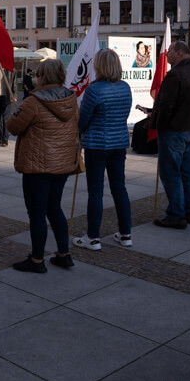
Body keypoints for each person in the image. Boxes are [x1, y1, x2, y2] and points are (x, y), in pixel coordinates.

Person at [7, 58, 78, 272]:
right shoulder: (71, 99)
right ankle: (64, 254)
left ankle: (37, 260)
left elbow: (13, 127)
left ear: (41, 77)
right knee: (54, 208)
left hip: (37, 165)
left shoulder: (33, 102)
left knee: (37, 212)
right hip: (62, 164)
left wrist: (15, 111)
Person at [73, 49, 132, 251]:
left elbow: (83, 120)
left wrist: (79, 132)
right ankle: (125, 234)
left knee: (96, 191)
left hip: (97, 145)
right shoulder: (125, 87)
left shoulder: (94, 90)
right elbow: (124, 114)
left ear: (99, 66)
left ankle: (93, 237)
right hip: (119, 143)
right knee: (119, 188)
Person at [152, 41, 190, 229]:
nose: (167, 55)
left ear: (180, 53)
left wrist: (159, 125)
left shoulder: (175, 75)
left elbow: (167, 106)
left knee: (171, 173)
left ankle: (176, 214)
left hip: (173, 130)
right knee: (187, 173)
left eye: (170, 52)